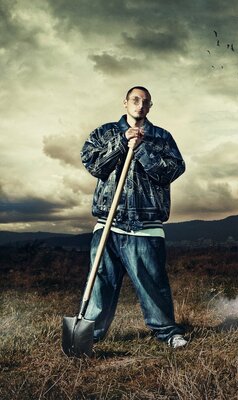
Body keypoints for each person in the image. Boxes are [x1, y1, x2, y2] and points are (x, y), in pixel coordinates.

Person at [80, 86, 188, 348]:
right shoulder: (104, 133)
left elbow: (172, 171)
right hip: (109, 223)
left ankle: (167, 333)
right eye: (135, 100)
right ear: (125, 103)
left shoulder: (162, 138)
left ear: (150, 107)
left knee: (153, 284)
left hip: (146, 225)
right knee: (99, 283)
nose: (140, 105)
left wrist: (141, 149)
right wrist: (121, 143)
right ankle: (87, 336)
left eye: (146, 102)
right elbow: (93, 164)